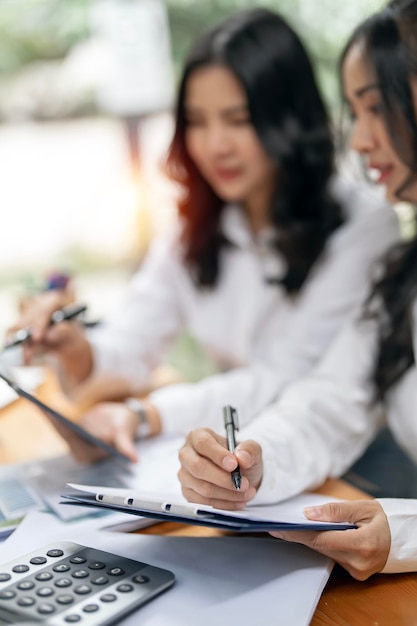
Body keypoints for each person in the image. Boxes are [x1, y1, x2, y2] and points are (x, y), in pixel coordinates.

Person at [8, 8, 397, 464]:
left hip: (346, 463)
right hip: (232, 451)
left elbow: (286, 378)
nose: (215, 145)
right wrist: (77, 349)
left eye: (238, 119)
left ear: (289, 119)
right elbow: (136, 337)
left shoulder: (362, 224)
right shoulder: (198, 221)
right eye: (197, 121)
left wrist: (144, 414)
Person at [177, 0, 417, 580]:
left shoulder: (360, 226)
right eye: (353, 112)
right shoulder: (403, 275)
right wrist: (255, 461)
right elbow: (331, 400)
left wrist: (405, 533)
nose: (359, 141)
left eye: (376, 108)